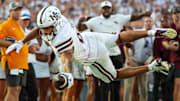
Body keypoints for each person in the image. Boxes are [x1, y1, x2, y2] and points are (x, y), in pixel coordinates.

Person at [6, 6, 176, 91]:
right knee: (119, 37)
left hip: (93, 55)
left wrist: (67, 74)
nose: (44, 31)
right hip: (91, 38)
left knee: (113, 76)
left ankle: (153, 66)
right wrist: (21, 42)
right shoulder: (57, 21)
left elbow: (67, 57)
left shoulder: (61, 38)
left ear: (55, 23)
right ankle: (153, 32)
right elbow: (38, 30)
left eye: (47, 28)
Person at [77, 1, 152, 100]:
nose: (106, 10)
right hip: (101, 56)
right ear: (101, 9)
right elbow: (81, 28)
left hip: (115, 54)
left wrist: (143, 14)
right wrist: (79, 22)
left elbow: (132, 17)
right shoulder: (95, 21)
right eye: (104, 8)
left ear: (111, 9)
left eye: (108, 8)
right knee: (102, 86)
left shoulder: (118, 18)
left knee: (115, 86)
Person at [0, 1, 29, 101]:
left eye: (19, 10)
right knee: (12, 90)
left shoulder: (19, 26)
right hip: (12, 62)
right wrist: (11, 44)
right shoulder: (6, 25)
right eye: (15, 10)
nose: (18, 12)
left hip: (21, 63)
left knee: (17, 90)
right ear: (10, 11)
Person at [124, 17, 154, 101]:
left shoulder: (154, 35)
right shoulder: (138, 33)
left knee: (144, 87)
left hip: (144, 63)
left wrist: (149, 61)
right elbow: (126, 45)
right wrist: (127, 58)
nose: (148, 23)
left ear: (153, 23)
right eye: (146, 21)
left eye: (150, 21)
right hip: (133, 61)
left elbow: (154, 52)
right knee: (128, 86)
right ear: (143, 23)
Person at [18, 8, 38, 101]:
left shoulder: (29, 32)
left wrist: (31, 47)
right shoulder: (15, 31)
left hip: (29, 64)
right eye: (24, 19)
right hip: (19, 65)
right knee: (22, 91)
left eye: (27, 19)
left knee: (33, 91)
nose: (26, 21)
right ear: (19, 19)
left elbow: (37, 47)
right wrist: (28, 47)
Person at [161, 6, 180, 101]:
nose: (176, 15)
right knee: (173, 86)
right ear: (172, 15)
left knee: (178, 85)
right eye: (174, 13)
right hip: (174, 62)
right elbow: (164, 41)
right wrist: (170, 47)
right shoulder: (172, 27)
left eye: (178, 13)